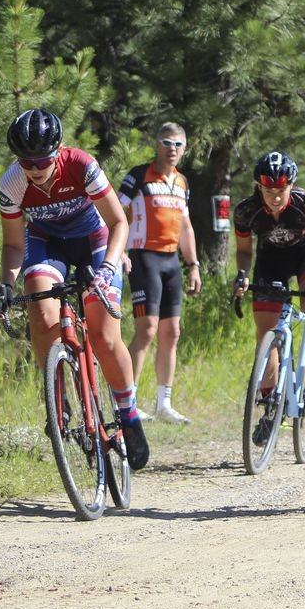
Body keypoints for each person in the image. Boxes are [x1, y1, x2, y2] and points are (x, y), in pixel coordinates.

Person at [0, 108, 150, 470]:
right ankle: (58, 400)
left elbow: (117, 221)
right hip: (47, 241)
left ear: (57, 152)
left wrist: (109, 267)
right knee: (41, 307)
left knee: (104, 334)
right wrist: (4, 285)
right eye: (26, 162)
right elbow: (13, 245)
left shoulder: (81, 164)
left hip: (94, 239)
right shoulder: (12, 183)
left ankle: (129, 413)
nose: (34, 169)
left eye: (42, 160)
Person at [231, 151, 305, 440]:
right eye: (268, 191)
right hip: (271, 260)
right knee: (266, 333)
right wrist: (242, 275)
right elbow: (243, 252)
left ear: (291, 185)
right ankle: (270, 406)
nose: (275, 196)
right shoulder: (246, 211)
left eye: (281, 190)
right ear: (258, 187)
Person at [118, 123, 202, 424]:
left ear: (184, 149)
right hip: (143, 257)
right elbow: (115, 213)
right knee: (148, 329)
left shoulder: (182, 182)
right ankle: (128, 401)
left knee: (172, 332)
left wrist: (193, 265)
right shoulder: (139, 175)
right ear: (157, 144)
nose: (172, 149)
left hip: (171, 262)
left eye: (178, 144)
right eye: (166, 142)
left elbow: (186, 227)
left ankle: (163, 404)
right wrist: (120, 252)